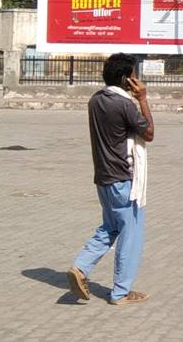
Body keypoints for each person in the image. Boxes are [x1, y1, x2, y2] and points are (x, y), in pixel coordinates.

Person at [67, 53, 155, 305]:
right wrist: (143, 99)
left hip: (104, 178)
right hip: (123, 180)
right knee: (131, 235)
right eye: (135, 75)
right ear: (127, 79)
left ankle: (80, 267)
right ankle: (120, 292)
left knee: (111, 227)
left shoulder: (96, 100)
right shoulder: (124, 105)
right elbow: (149, 133)